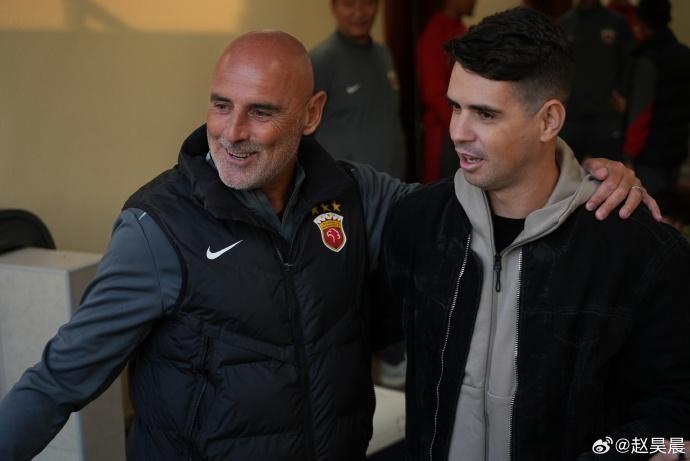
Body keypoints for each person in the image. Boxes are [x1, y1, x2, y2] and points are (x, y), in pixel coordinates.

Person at [0, 29, 655, 461]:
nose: (231, 132)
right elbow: (57, 382)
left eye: (261, 111)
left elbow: (480, 201)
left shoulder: (354, 195)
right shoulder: (157, 227)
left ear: (312, 114)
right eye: (221, 104)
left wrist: (580, 173)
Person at [380, 7, 690, 461]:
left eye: (485, 114)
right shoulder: (418, 223)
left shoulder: (639, 251)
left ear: (549, 121)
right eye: (455, 106)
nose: (458, 132)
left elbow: (676, 422)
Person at [310, 0, 407, 179]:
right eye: (349, 4)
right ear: (334, 8)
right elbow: (305, 131)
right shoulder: (321, 60)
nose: (359, 12)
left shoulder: (384, 54)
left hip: (392, 183)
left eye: (368, 3)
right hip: (346, 186)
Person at [623, 0, 690, 196]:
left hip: (650, 153)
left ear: (642, 23)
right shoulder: (684, 54)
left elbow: (641, 112)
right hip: (677, 147)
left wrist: (629, 155)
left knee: (648, 206)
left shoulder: (648, 59)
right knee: (669, 205)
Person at [558, 0, 635, 161]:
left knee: (608, 171)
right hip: (572, 115)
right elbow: (557, 66)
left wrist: (623, 94)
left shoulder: (617, 22)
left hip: (605, 115)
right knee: (566, 169)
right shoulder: (564, 23)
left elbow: (629, 63)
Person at [416, 0, 476, 182]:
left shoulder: (463, 30)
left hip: (467, 127)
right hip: (446, 131)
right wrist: (466, 124)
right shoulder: (434, 34)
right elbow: (433, 93)